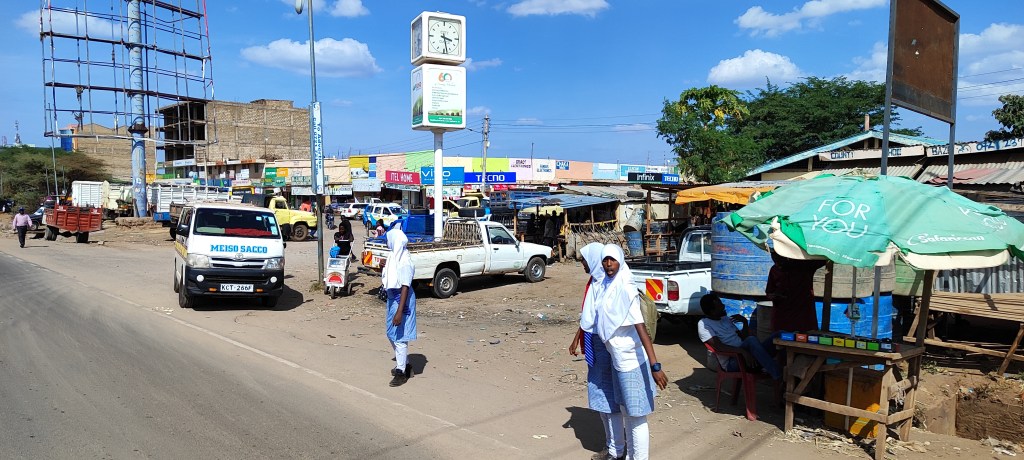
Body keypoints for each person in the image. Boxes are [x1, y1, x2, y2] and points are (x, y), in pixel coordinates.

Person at [580, 244, 668, 460]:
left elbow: (641, 330)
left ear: (620, 260)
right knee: (627, 412)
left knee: (636, 416)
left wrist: (655, 366)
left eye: (613, 260)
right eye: (605, 260)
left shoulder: (625, 289)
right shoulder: (607, 286)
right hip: (617, 359)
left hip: (631, 361)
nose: (608, 264)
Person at [569, 243, 625, 460]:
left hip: (602, 345)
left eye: (584, 260)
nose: (583, 264)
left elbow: (599, 319)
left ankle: (616, 449)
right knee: (601, 398)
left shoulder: (607, 285)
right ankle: (613, 445)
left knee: (607, 397)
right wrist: (578, 338)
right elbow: (588, 317)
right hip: (594, 343)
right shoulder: (595, 282)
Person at [697, 293, 781, 380]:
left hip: (747, 355)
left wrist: (744, 322)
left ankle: (781, 370)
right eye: (720, 305)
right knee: (751, 340)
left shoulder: (725, 319)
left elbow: (743, 338)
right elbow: (719, 346)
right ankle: (779, 375)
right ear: (712, 312)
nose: (723, 306)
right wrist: (742, 351)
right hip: (733, 361)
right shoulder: (704, 324)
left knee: (778, 335)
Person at [381, 227, 417, 387]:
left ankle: (401, 372)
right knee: (391, 334)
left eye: (389, 240)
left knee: (400, 337)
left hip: (401, 300)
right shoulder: (394, 257)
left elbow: (405, 286)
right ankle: (405, 365)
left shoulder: (405, 261)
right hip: (393, 299)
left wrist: (399, 311)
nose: (387, 243)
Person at [765, 250, 825, 333]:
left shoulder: (804, 266)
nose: (778, 265)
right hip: (782, 317)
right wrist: (775, 296)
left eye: (780, 262)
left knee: (804, 337)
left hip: (803, 317)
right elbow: (769, 291)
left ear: (787, 257)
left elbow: (823, 260)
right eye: (775, 262)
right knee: (780, 338)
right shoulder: (774, 269)